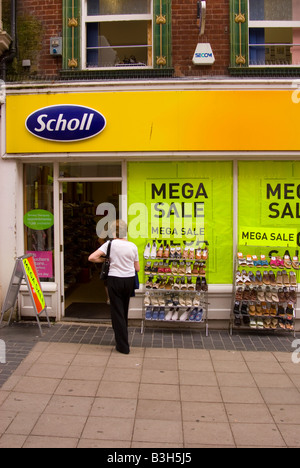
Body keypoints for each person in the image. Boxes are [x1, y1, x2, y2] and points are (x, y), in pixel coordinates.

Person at [88, 220, 140, 354]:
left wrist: (105, 260)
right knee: (124, 310)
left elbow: (92, 258)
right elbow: (137, 268)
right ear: (125, 231)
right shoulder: (133, 246)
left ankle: (123, 346)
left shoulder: (109, 244)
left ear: (112, 232)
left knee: (116, 312)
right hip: (128, 280)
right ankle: (122, 338)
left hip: (114, 279)